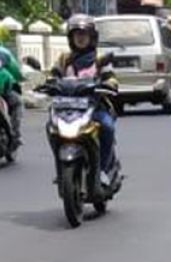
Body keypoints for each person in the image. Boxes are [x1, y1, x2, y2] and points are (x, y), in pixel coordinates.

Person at [52, 14, 119, 184]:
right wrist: (47, 84)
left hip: (94, 108)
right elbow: (53, 76)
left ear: (92, 37)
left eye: (84, 35)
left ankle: (104, 169)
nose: (80, 39)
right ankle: (60, 169)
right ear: (71, 38)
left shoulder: (99, 59)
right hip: (66, 108)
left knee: (107, 127)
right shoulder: (64, 59)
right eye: (77, 35)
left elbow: (111, 77)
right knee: (51, 129)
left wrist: (109, 84)